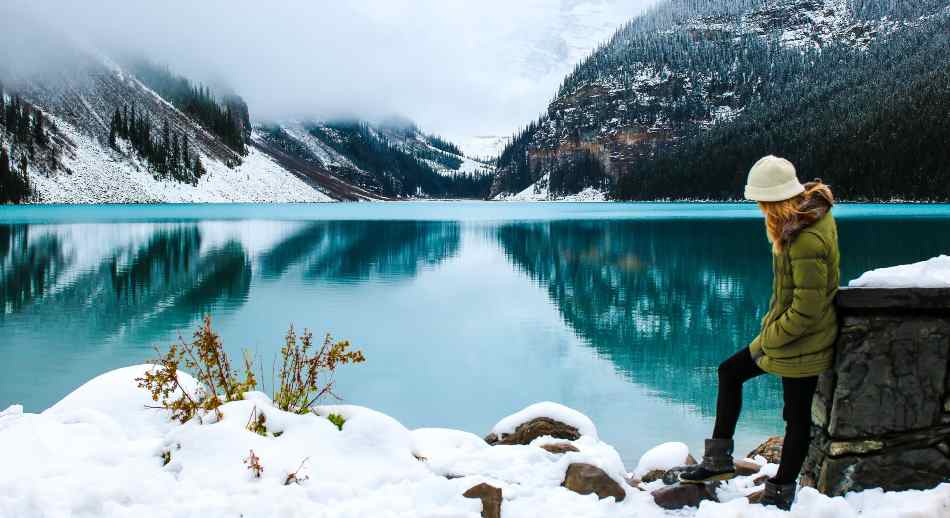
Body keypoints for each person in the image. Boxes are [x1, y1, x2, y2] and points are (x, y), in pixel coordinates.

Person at [680, 156, 840, 510]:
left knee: (796, 418)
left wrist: (769, 338)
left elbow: (807, 309)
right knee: (730, 371)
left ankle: (780, 491)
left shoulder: (806, 239)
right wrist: (770, 334)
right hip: (786, 336)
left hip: (804, 341)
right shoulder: (799, 223)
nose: (758, 207)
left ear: (776, 199)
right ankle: (718, 461)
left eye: (761, 201)